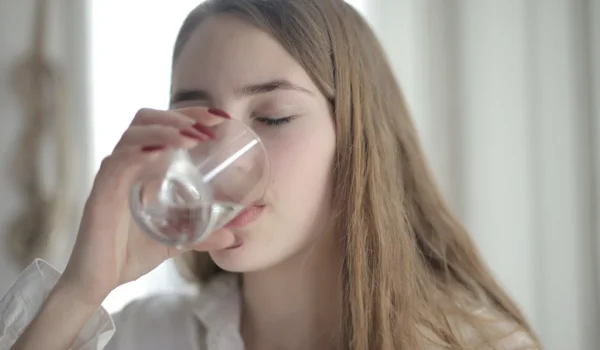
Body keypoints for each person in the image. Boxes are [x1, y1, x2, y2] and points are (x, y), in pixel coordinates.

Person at [1, 0, 541, 349]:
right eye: (196, 122)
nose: (223, 157)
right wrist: (79, 291)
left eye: (274, 117)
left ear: (355, 138)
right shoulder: (147, 335)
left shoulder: (475, 345)